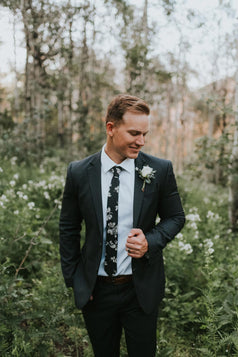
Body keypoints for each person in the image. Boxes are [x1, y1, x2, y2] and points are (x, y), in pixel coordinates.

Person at [59, 94, 185, 357]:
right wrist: (77, 281)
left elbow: (176, 217)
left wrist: (151, 241)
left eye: (145, 134)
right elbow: (69, 228)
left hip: (140, 290)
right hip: (97, 290)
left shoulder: (159, 170)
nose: (141, 141)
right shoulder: (79, 172)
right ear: (111, 128)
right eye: (134, 133)